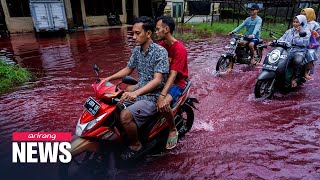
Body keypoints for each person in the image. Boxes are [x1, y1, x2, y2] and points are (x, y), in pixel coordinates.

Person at [105, 16, 169, 160]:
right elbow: (128, 69)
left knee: (125, 115)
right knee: (113, 107)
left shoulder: (160, 52)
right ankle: (127, 134)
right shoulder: (137, 50)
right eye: (132, 33)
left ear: (148, 33)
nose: (133, 37)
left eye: (137, 33)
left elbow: (158, 80)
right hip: (139, 91)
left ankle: (136, 145)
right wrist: (107, 79)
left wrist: (136, 92)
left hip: (154, 96)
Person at [155, 16, 188, 149]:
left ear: (166, 29)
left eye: (157, 29)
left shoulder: (180, 49)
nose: (155, 32)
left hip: (177, 83)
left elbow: (173, 76)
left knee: (163, 105)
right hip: (163, 80)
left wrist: (162, 96)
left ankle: (172, 129)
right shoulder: (161, 46)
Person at [278, 15, 310, 88]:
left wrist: (298, 33)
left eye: (297, 22)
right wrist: (275, 41)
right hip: (288, 50)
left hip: (299, 51)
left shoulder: (306, 32)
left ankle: (294, 78)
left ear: (302, 23)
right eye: (294, 22)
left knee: (298, 61)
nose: (295, 24)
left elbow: (304, 43)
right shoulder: (290, 31)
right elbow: (282, 38)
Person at [300, 8, 320, 80]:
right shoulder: (301, 22)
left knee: (309, 55)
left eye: (305, 14)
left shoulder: (315, 24)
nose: (303, 16)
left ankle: (306, 72)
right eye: (302, 14)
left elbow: (317, 36)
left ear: (310, 14)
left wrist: (313, 34)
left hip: (310, 45)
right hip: (299, 42)